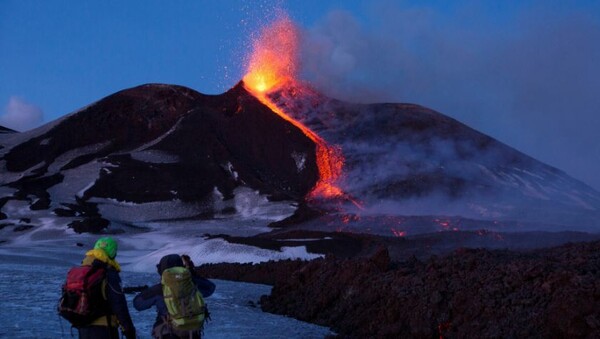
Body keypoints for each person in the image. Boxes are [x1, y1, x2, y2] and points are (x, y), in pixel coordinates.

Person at [133, 254, 215, 339]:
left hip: (167, 334)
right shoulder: (193, 284)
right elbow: (210, 288)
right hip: (193, 333)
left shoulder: (159, 289)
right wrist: (192, 275)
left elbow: (137, 304)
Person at [78, 237, 137, 339]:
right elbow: (118, 303)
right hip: (104, 329)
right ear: (112, 252)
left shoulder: (82, 271)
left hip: (83, 327)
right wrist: (128, 329)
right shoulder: (108, 273)